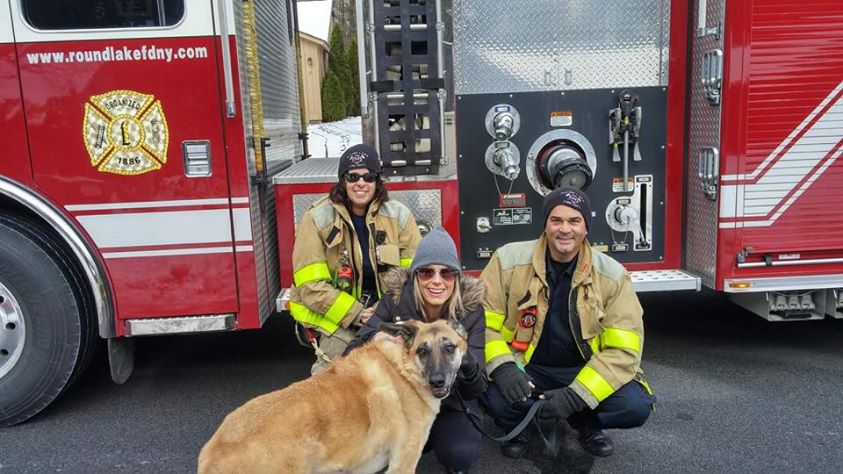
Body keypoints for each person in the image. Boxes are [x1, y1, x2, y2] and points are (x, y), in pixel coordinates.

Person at [480, 186, 655, 459]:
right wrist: (503, 367)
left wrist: (577, 396)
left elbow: (624, 350)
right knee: (488, 393)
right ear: (545, 225)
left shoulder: (613, 275)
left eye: (574, 221)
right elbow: (482, 324)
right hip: (527, 366)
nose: (565, 229)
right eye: (556, 220)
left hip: (584, 368)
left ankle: (585, 423)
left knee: (635, 405)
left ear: (586, 228)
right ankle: (518, 427)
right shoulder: (507, 261)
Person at [346, 227, 486, 474]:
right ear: (415, 275)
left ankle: (432, 442)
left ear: (457, 277)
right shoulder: (395, 302)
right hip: (400, 404)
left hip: (450, 403)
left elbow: (476, 388)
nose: (437, 280)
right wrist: (377, 337)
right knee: (370, 450)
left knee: (461, 452)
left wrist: (466, 361)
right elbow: (350, 354)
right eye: (426, 272)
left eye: (447, 273)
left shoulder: (471, 312)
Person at [289, 144, 421, 374]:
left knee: (405, 364)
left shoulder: (399, 216)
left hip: (386, 310)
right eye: (353, 176)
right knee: (340, 370)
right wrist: (357, 314)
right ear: (342, 180)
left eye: (368, 177)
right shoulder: (316, 219)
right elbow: (311, 286)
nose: (361, 183)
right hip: (334, 315)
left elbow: (413, 276)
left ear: (377, 181)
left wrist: (380, 312)